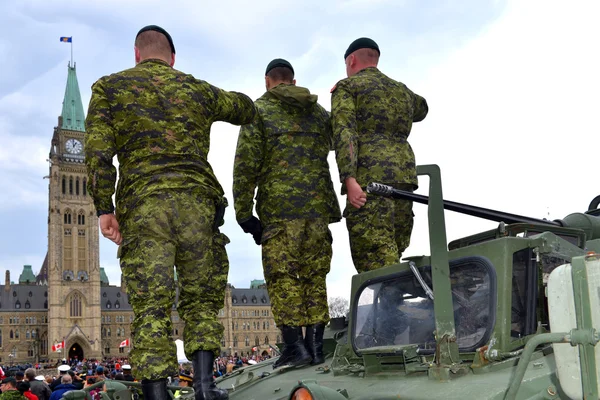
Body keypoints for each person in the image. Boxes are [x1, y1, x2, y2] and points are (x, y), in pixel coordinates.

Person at [85, 25, 256, 400]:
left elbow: (96, 154)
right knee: (201, 301)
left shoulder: (109, 88)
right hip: (198, 206)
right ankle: (207, 388)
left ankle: (158, 394)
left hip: (145, 209)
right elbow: (245, 108)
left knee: (151, 308)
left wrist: (104, 208)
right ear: (173, 58)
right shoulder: (197, 88)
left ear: (136, 54)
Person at [233, 59, 341, 368]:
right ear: (293, 82)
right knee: (314, 277)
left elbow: (246, 166)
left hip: (279, 212)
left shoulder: (260, 112)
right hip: (318, 212)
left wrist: (245, 214)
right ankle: (316, 346)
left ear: (267, 81)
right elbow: (340, 139)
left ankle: (294, 347)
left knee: (283, 279)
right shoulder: (318, 113)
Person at [331, 37, 428, 273]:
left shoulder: (348, 88)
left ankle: (390, 310)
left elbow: (345, 133)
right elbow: (422, 108)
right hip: (404, 180)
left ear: (352, 60)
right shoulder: (401, 90)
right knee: (394, 249)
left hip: (369, 183)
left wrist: (349, 179)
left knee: (375, 262)